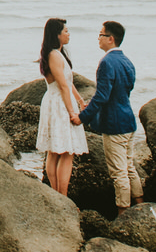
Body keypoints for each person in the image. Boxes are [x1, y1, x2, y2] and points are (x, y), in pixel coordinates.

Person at [77, 19, 144, 211]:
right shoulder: (127, 61)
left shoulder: (107, 62)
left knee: (118, 172)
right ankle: (141, 205)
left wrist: (82, 117)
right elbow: (124, 90)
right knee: (130, 167)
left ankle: (123, 213)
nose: (98, 38)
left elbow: (102, 96)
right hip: (129, 121)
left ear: (111, 39)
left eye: (101, 34)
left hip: (115, 125)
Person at [35, 16, 87, 196]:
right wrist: (72, 112)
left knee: (55, 151)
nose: (68, 34)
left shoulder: (56, 54)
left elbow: (68, 82)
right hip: (58, 103)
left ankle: (57, 195)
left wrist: (80, 100)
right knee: (65, 151)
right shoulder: (54, 55)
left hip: (56, 100)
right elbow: (63, 85)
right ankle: (61, 196)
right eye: (65, 31)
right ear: (57, 35)